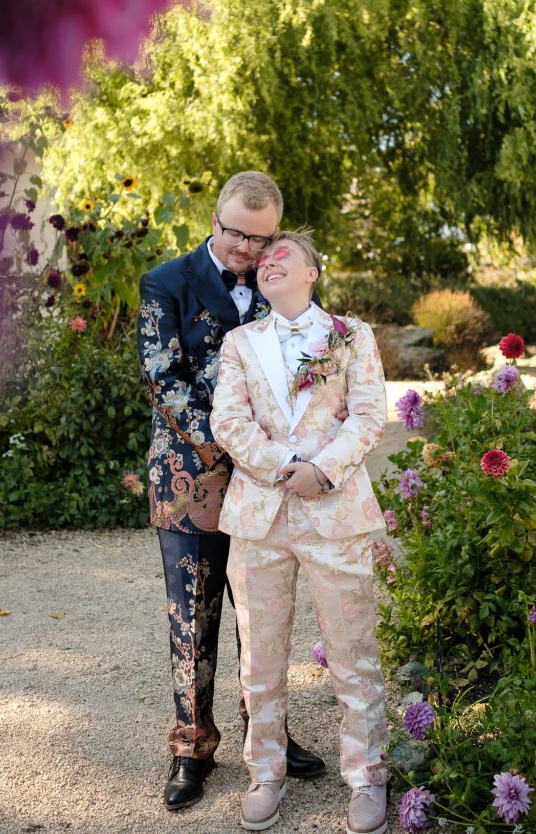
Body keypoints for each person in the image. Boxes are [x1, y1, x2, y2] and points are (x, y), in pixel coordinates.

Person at [137, 173, 325, 812]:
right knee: (193, 617)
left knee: (262, 615)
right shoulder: (166, 282)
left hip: (266, 482)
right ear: (215, 220)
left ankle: (266, 738)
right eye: (238, 233)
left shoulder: (281, 284)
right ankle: (191, 747)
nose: (249, 249)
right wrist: (237, 447)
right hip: (193, 476)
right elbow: (165, 380)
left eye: (262, 237)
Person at [210, 229, 390, 834]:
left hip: (334, 514)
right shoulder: (239, 342)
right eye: (262, 260)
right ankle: (266, 771)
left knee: (352, 650)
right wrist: (283, 469)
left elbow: (369, 415)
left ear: (313, 271)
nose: (267, 263)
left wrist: (324, 470)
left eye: (282, 255)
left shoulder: (351, 335)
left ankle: (368, 776)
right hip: (260, 518)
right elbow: (228, 420)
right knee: (260, 656)